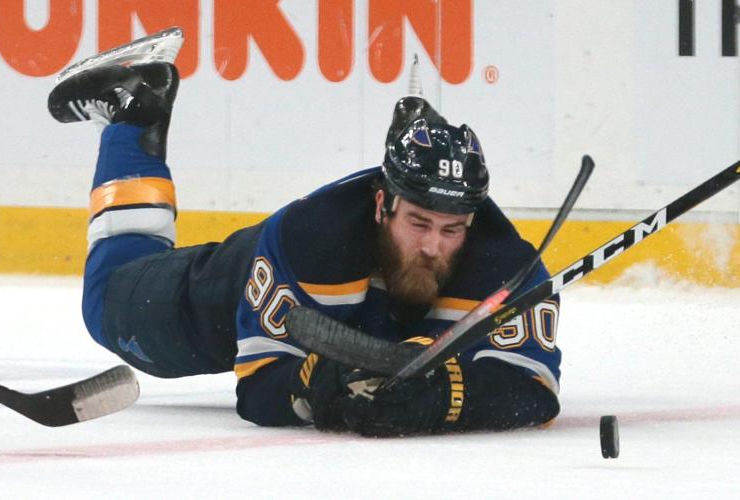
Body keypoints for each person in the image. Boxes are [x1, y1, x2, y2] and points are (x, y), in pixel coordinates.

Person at [48, 58, 561, 437]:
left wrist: (442, 398)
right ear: (383, 203)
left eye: (452, 229)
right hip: (223, 296)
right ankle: (135, 113)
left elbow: (532, 393)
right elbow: (258, 389)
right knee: (107, 300)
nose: (432, 245)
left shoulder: (506, 266)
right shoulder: (311, 238)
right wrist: (320, 388)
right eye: (418, 222)